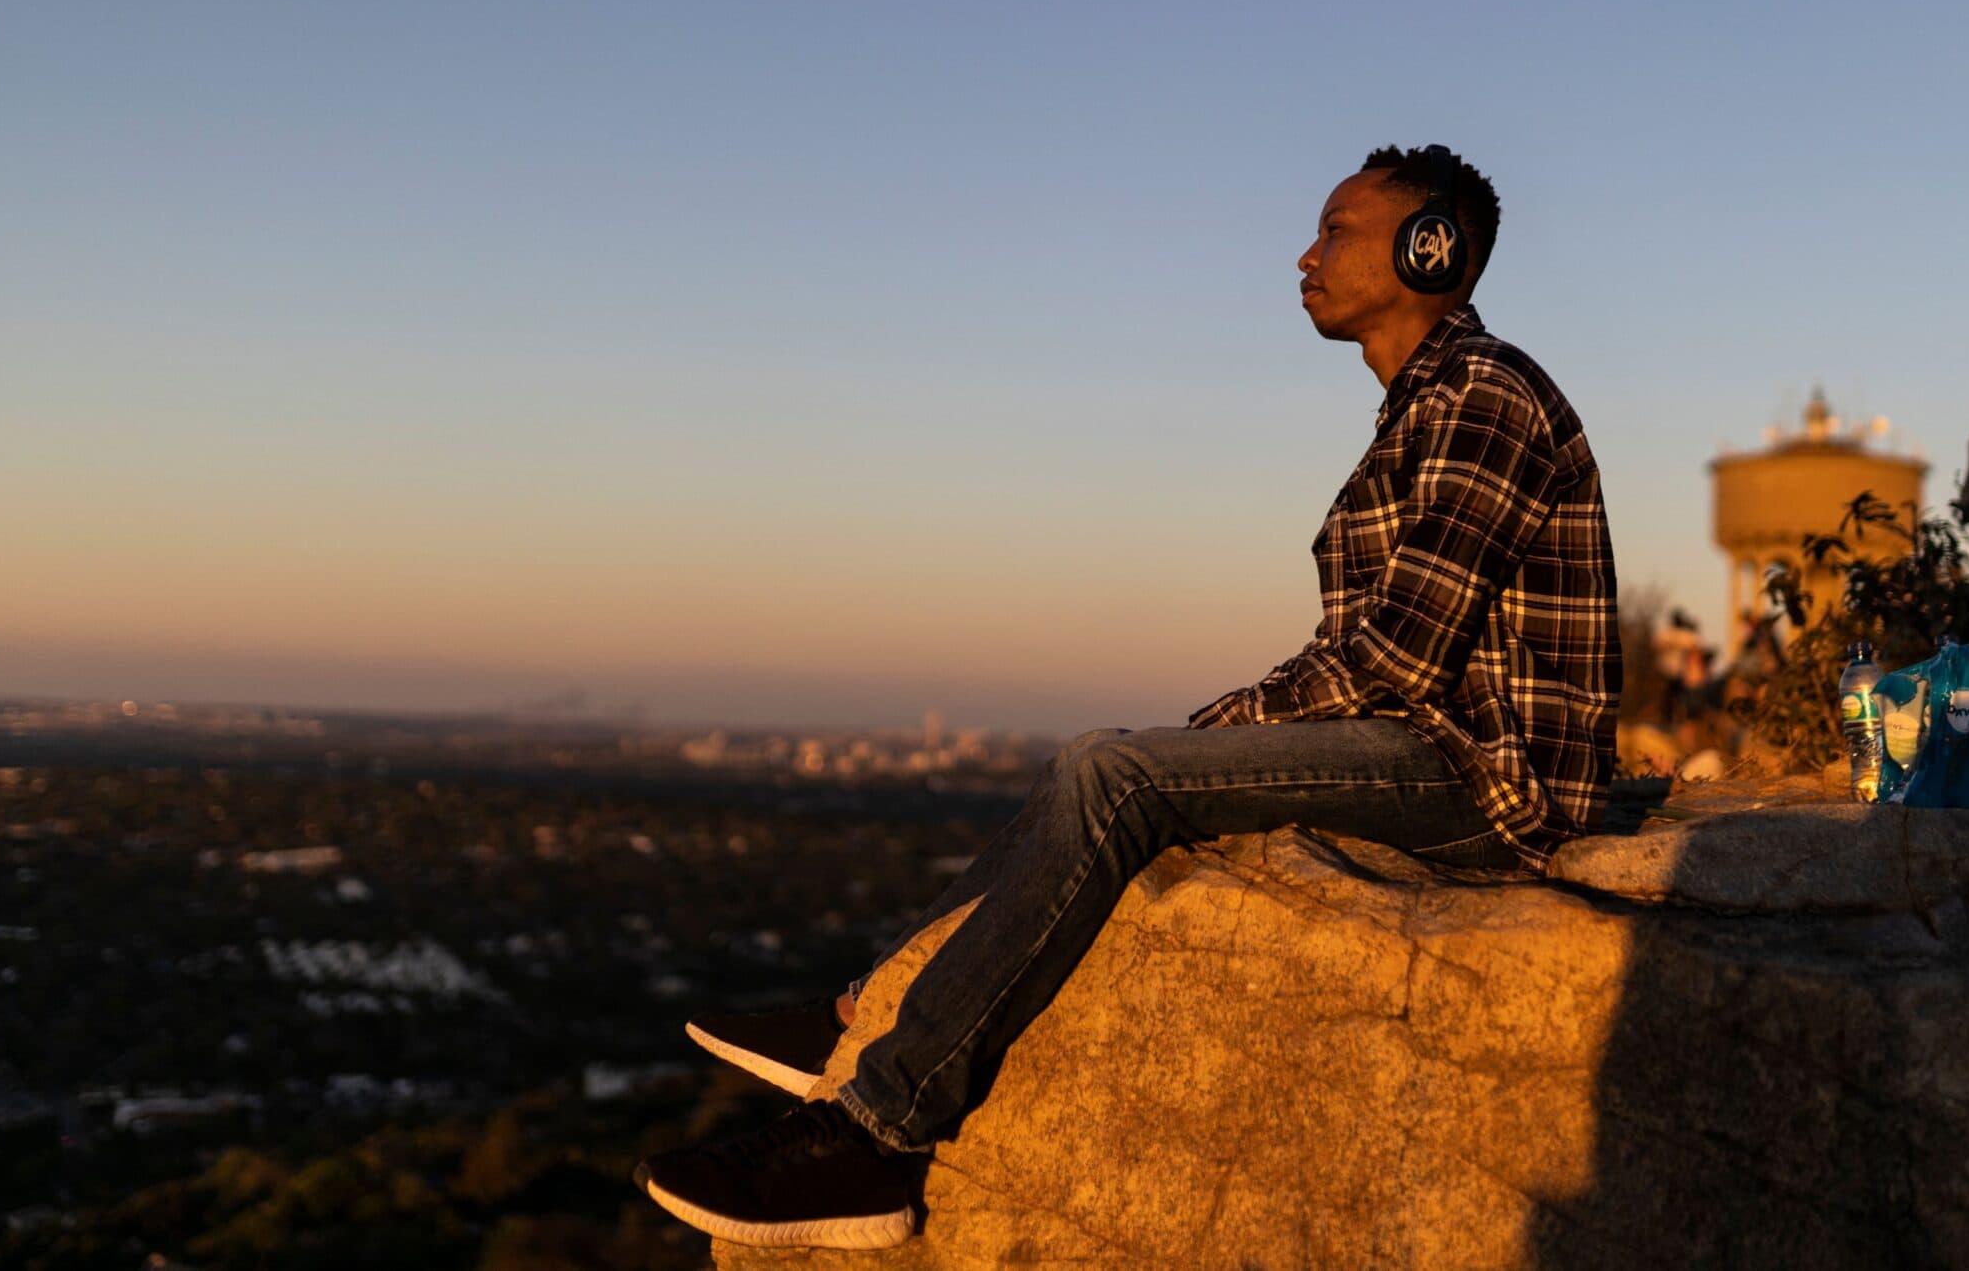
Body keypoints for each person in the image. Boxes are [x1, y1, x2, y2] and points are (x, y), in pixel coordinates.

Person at [634, 146, 1621, 1250]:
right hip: (1416, 744)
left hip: (1484, 777)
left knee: (1115, 772)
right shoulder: (1421, 409)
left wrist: (1206, 737)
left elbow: (1393, 660)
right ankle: (862, 1014)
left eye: (1338, 228)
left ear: (1428, 248)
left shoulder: (1485, 396)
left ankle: (877, 1136)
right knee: (1098, 760)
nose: (1305, 253)